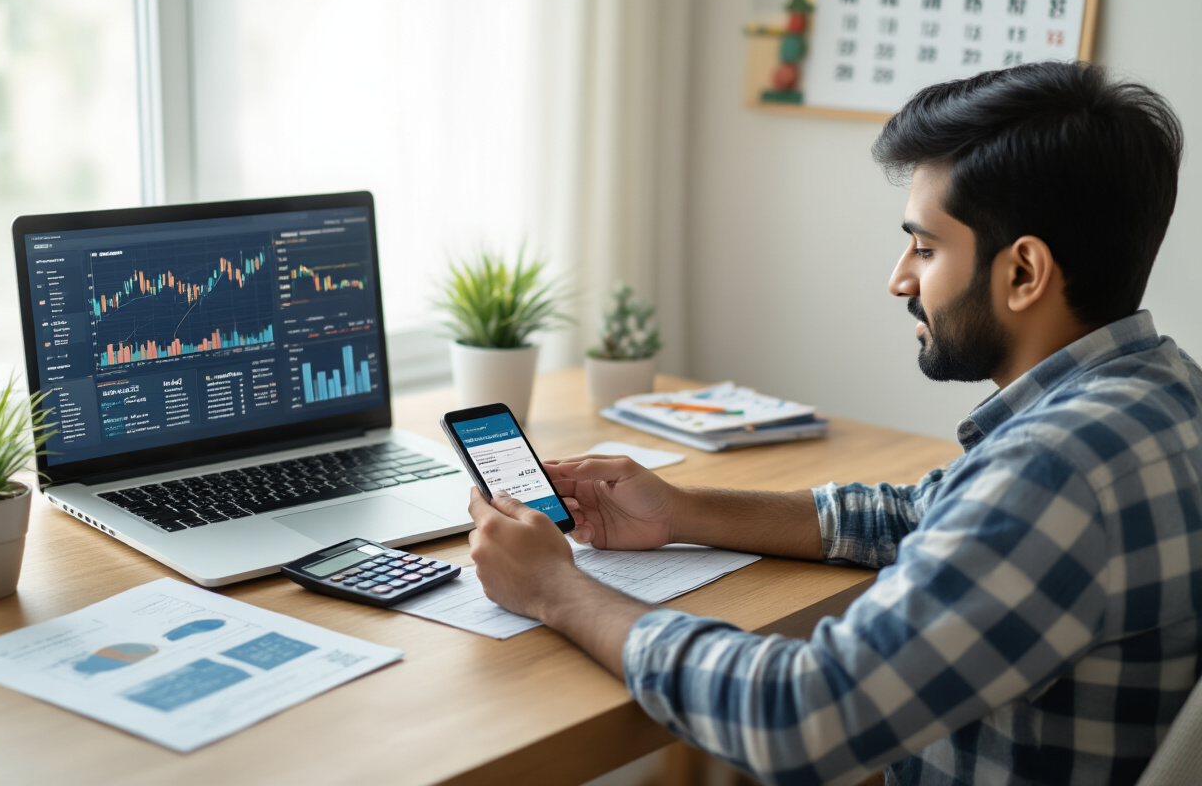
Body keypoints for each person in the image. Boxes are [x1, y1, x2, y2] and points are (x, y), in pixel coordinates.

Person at [466, 61, 1202, 785]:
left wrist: (554, 590)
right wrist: (682, 511)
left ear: (1023, 273)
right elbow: (926, 516)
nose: (900, 278)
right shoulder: (1165, 393)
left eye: (926, 248)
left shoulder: (1053, 471)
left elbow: (799, 718)